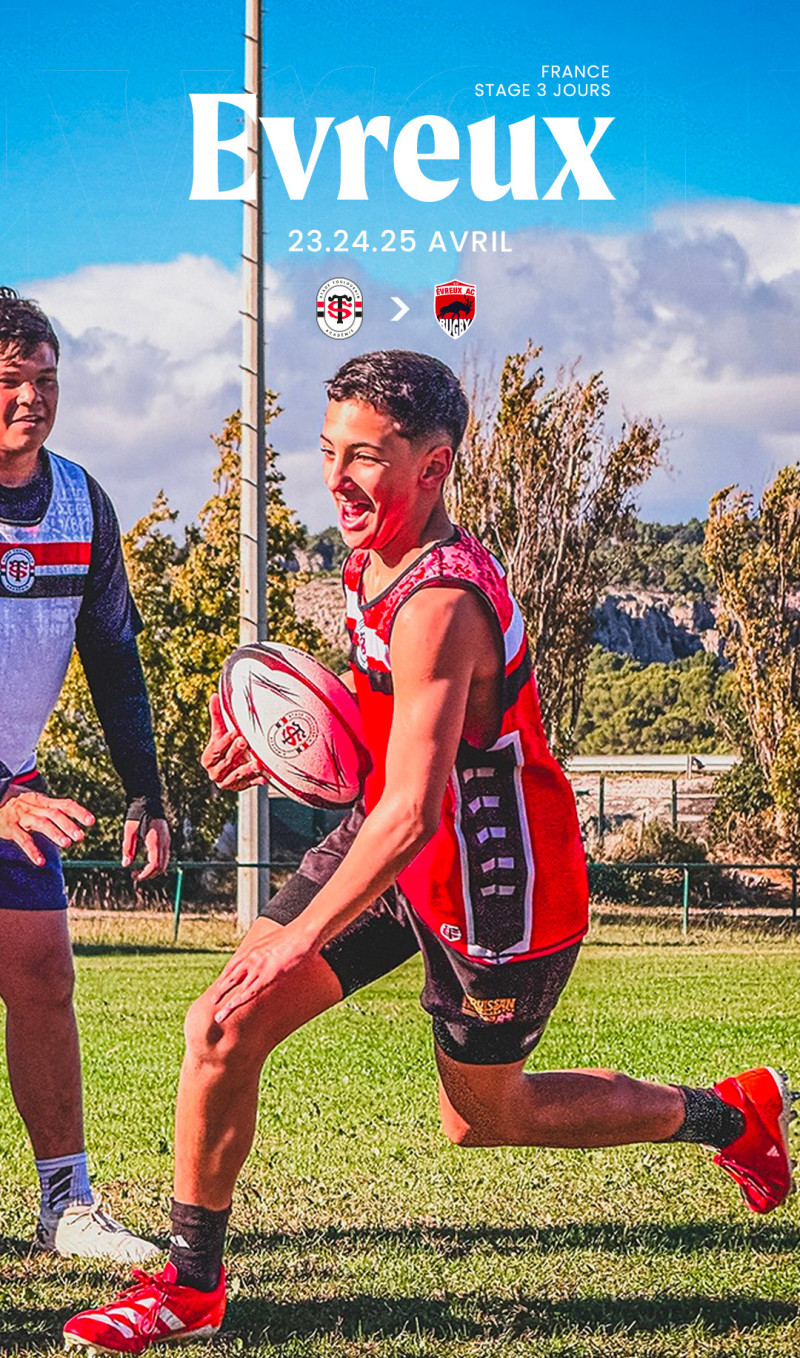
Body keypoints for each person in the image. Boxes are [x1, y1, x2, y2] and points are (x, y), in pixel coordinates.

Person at [64, 349, 794, 1352]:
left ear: (433, 465)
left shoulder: (441, 603)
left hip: (495, 887)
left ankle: (730, 1116)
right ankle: (190, 1287)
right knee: (222, 1024)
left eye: (364, 457)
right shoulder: (375, 560)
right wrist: (280, 727)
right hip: (390, 849)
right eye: (327, 451)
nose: (336, 478)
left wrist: (294, 939)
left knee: (484, 1117)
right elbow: (388, 751)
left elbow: (413, 808)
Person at [0, 289, 170, 1262]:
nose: (33, 398)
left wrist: (144, 791)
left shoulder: (80, 500)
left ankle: (66, 1205)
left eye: (46, 380)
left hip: (10, 790)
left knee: (43, 979)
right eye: (12, 381)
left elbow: (113, 657)